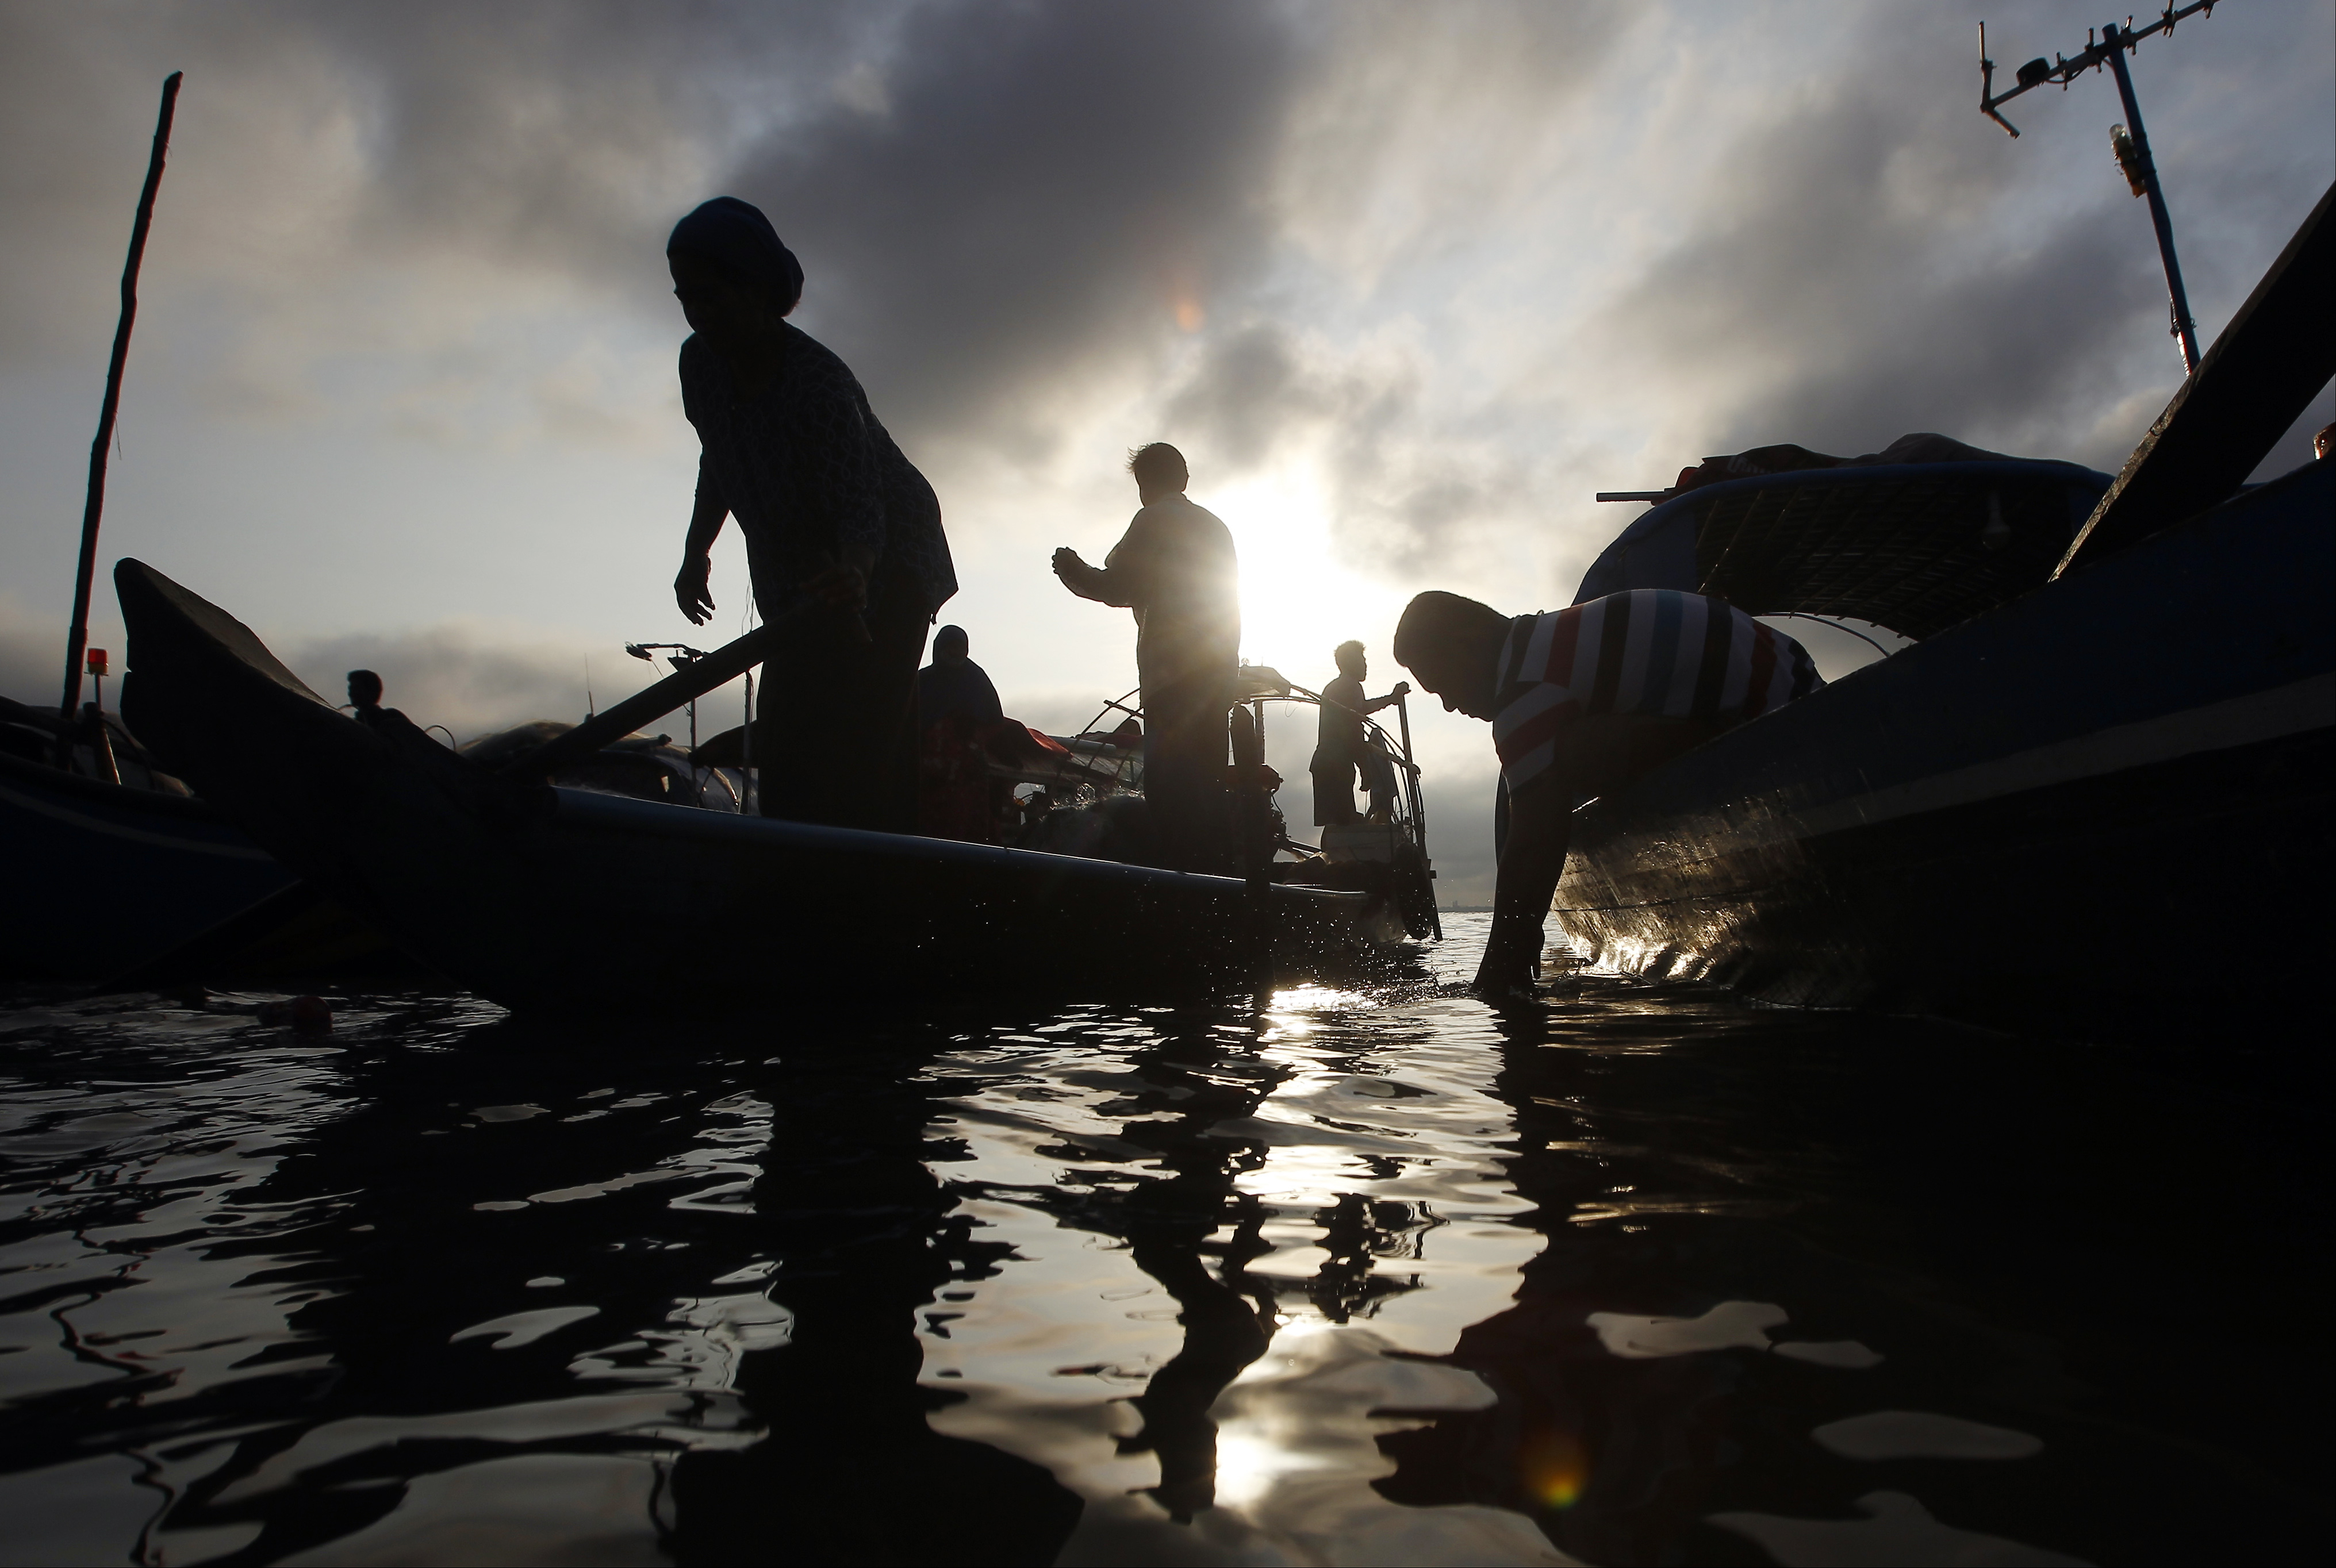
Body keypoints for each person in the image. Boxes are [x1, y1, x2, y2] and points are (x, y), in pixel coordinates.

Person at [666, 196, 957, 832]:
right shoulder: (701, 366)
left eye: (712, 296)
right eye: (686, 297)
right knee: (791, 735)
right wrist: (697, 552)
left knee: (864, 741)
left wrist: (855, 574)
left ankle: (875, 890)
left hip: (891, 558)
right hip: (803, 566)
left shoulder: (818, 385)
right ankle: (795, 875)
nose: (699, 314)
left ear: (757, 292)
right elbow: (719, 458)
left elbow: (861, 509)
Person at [1393, 587, 1821, 996]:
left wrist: (1497, 977)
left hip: (1776, 725)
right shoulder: (1550, 639)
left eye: (1440, 684)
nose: (1448, 705)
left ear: (1469, 643)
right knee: (1538, 771)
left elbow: (1530, 847)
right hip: (1800, 686)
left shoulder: (1523, 690)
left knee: (1562, 762)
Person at [1052, 443, 1240, 872]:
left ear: (1143, 485)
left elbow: (1118, 586)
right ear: (1185, 479)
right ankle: (1216, 882)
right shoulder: (1218, 527)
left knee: (1172, 789)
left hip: (1172, 677)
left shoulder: (1152, 518)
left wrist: (1071, 569)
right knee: (1208, 786)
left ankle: (1176, 884)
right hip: (1218, 675)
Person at [1310, 640, 1409, 826]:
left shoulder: (1336, 687)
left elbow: (1361, 709)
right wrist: (1366, 769)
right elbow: (1352, 731)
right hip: (1336, 763)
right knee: (1345, 825)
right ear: (1350, 662)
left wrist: (1391, 699)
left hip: (1323, 763)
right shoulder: (1351, 686)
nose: (1365, 665)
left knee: (1337, 825)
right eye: (1362, 659)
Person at [915, 625, 1004, 729]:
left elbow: (994, 717)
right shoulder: (923, 679)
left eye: (961, 648)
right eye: (953, 647)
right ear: (941, 648)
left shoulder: (976, 678)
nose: (957, 652)